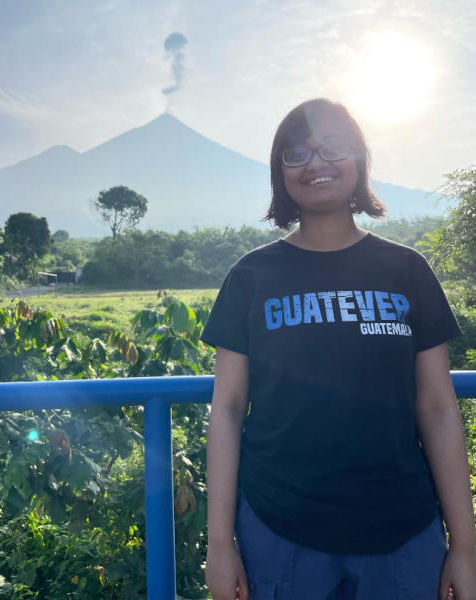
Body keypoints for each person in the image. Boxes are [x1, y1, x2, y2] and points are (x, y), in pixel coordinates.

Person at [199, 98, 476, 600]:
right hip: (278, 526)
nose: (316, 163)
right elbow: (228, 409)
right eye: (296, 154)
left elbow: (436, 407)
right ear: (278, 172)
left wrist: (465, 547)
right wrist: (220, 544)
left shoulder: (407, 270)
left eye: (333, 146)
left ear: (359, 159)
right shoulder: (251, 277)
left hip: (403, 529)